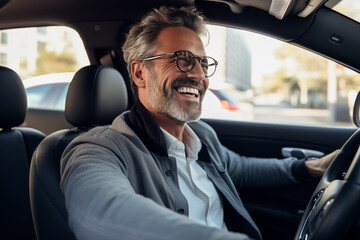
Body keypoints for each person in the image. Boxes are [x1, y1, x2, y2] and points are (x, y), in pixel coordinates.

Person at [60, 6, 338, 240]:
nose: (198, 76)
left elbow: (239, 168)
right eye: (182, 60)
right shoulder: (100, 148)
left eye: (204, 64)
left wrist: (308, 168)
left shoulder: (201, 135)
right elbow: (98, 211)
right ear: (139, 73)